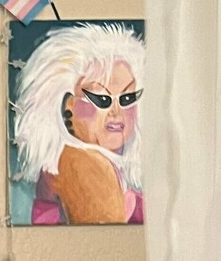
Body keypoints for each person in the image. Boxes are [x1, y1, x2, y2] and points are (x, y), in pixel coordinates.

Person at [10, 20, 147, 224]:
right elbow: (106, 241)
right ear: (67, 106)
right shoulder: (83, 163)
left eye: (127, 98)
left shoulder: (85, 160)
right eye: (102, 99)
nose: (116, 111)